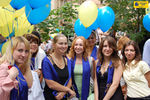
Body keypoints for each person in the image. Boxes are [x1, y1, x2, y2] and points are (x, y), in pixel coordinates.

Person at [42, 34, 75, 100]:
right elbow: (50, 84)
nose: (63, 46)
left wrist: (63, 92)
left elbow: (69, 80)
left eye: (65, 43)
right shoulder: (47, 61)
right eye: (60, 43)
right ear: (53, 45)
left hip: (63, 96)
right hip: (51, 97)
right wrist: (68, 90)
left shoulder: (67, 60)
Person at [94, 36, 124, 100]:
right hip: (100, 94)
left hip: (114, 95)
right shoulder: (97, 63)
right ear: (101, 48)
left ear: (114, 48)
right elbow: (95, 82)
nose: (107, 49)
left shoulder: (118, 63)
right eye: (105, 46)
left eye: (110, 46)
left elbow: (115, 84)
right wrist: (96, 98)